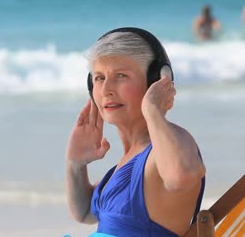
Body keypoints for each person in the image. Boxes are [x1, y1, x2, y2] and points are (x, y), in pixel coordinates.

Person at [65, 27, 206, 237]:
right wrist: (75, 164)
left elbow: (181, 177)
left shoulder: (173, 143)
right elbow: (84, 212)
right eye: (99, 78)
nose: (106, 90)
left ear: (156, 81)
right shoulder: (127, 163)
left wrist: (153, 111)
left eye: (121, 76)